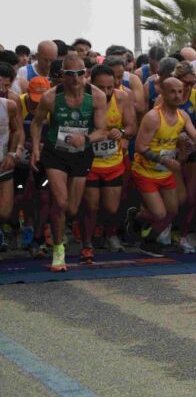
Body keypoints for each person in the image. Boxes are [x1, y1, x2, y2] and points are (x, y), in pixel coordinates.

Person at [30, 54, 108, 272]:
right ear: (63, 75)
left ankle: (58, 226)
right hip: (56, 152)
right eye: (70, 74)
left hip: (81, 152)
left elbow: (102, 130)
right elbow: (36, 124)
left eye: (80, 74)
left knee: (72, 208)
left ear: (87, 74)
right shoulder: (50, 97)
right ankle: (58, 251)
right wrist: (36, 148)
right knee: (61, 202)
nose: (75, 79)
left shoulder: (97, 96)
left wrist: (85, 139)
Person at [129, 77, 196, 256]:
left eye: (180, 91)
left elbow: (195, 134)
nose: (178, 95)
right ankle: (137, 217)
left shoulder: (183, 116)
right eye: (173, 91)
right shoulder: (153, 117)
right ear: (162, 93)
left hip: (165, 173)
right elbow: (140, 147)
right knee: (160, 213)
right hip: (145, 171)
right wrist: (165, 161)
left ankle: (149, 242)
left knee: (172, 210)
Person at [82, 65, 136, 261]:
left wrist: (121, 132)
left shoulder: (122, 98)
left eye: (109, 88)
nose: (105, 92)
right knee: (91, 206)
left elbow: (132, 126)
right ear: (90, 84)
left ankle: (110, 234)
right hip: (90, 162)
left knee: (112, 207)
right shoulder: (83, 100)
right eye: (100, 88)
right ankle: (87, 242)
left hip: (113, 161)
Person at [159, 62, 196, 253]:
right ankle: (166, 227)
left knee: (191, 197)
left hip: (192, 150)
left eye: (191, 83)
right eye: (184, 83)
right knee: (176, 197)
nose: (187, 88)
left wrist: (195, 141)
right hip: (170, 151)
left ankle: (183, 233)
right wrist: (178, 142)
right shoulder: (163, 99)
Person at [13, 76, 51, 257]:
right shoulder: (19, 103)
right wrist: (26, 146)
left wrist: (45, 146)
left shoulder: (52, 105)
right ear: (27, 93)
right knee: (21, 196)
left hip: (44, 159)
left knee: (44, 197)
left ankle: (38, 235)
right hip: (21, 158)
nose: (37, 105)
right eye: (34, 100)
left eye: (40, 101)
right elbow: (17, 130)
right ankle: (23, 226)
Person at [0, 84, 22, 259]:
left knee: (5, 211)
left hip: (3, 163)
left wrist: (11, 153)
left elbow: (16, 130)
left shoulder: (8, 105)